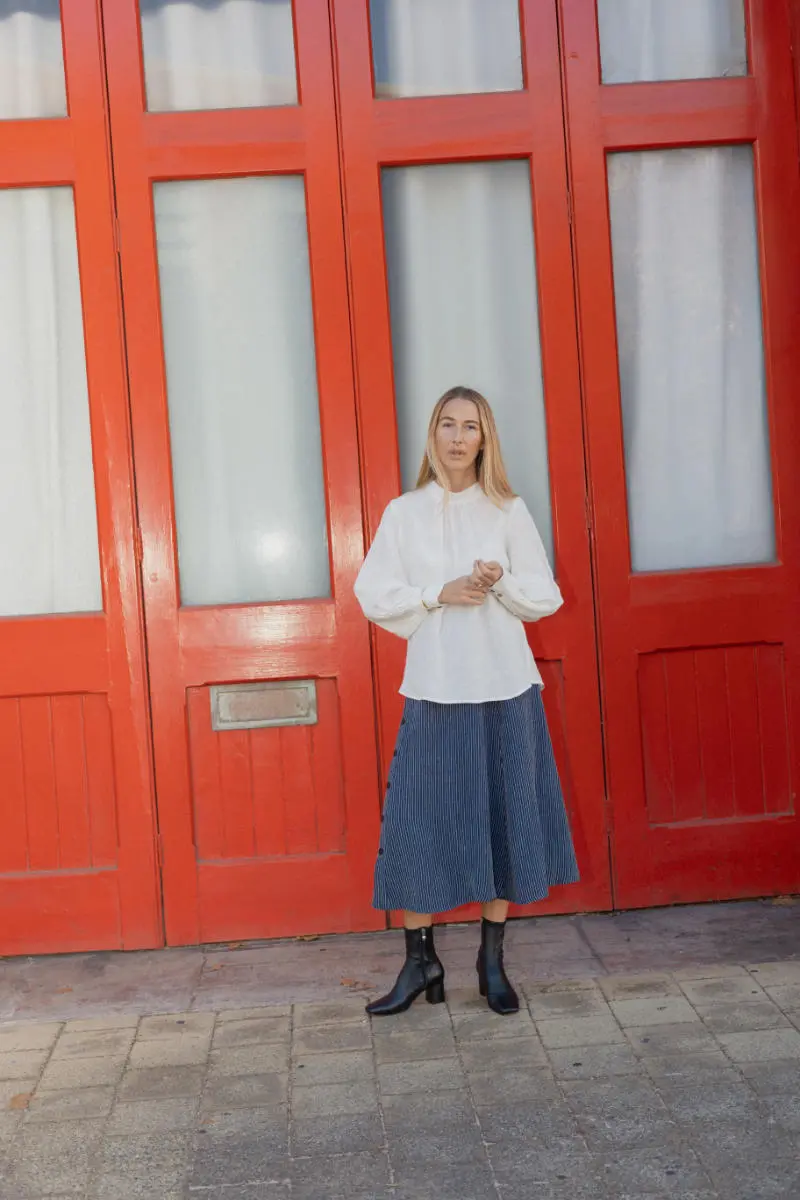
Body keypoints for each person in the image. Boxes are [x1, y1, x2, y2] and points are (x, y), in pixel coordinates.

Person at [354, 385, 580, 1017]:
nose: (458, 438)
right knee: (418, 822)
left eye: (471, 427)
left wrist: (499, 581)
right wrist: (436, 593)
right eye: (448, 425)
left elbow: (546, 594)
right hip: (434, 690)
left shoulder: (507, 510)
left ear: (486, 439)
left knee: (504, 822)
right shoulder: (404, 513)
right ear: (433, 435)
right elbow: (373, 593)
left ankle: (491, 960)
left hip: (504, 687)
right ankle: (419, 958)